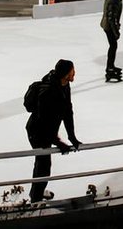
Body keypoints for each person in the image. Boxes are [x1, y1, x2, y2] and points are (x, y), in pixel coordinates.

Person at [24, 58, 81, 205]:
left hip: (48, 130)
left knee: (42, 163)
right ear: (66, 74)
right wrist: (59, 142)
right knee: (43, 164)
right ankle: (36, 199)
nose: (74, 73)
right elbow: (43, 122)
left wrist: (72, 137)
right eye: (72, 70)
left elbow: (68, 111)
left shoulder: (65, 85)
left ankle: (37, 192)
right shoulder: (47, 92)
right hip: (37, 131)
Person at [100, 0, 123, 82]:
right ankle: (109, 68)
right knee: (113, 45)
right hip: (108, 26)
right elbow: (111, 18)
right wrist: (116, 32)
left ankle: (111, 66)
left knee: (113, 46)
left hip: (109, 25)